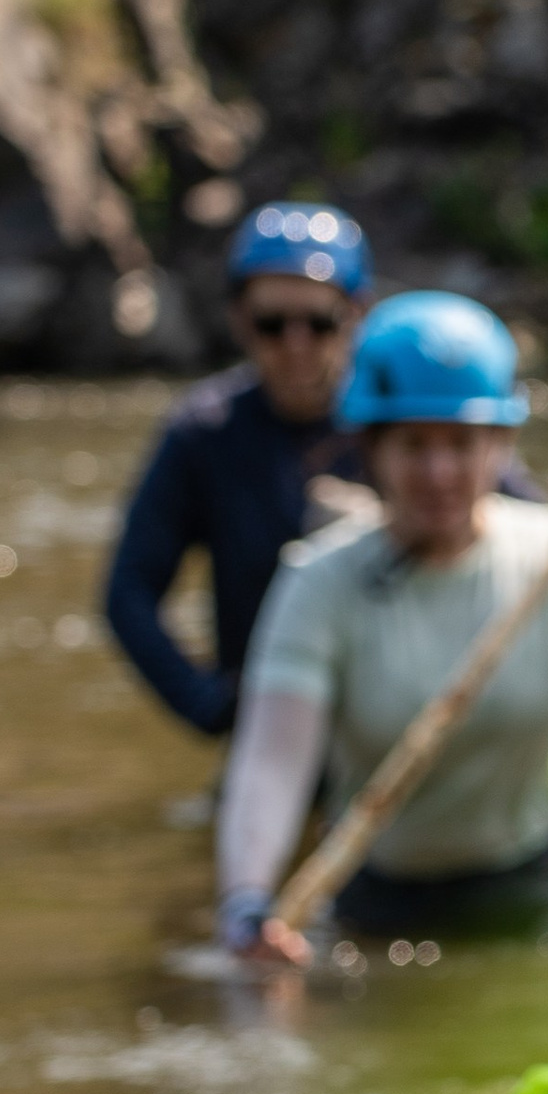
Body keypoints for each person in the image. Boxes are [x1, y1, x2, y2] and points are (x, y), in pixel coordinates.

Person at [215, 291, 548, 961]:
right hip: (380, 906)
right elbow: (271, 762)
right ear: (372, 449)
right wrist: (247, 901)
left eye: (461, 444)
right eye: (414, 444)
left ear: (500, 445)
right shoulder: (318, 581)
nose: (439, 471)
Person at [104, 203, 375, 737]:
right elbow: (128, 592)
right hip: (272, 726)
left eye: (319, 323)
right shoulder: (205, 432)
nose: (296, 344)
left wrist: (385, 527)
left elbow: (523, 530)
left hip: (392, 719)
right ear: (239, 319)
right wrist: (207, 704)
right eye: (272, 324)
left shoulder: (407, 419)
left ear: (356, 314)